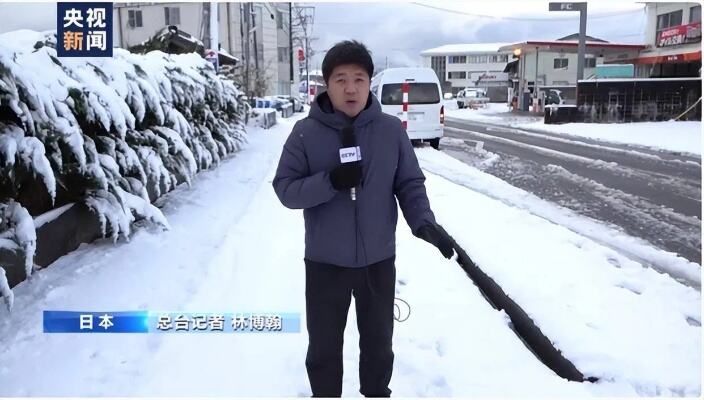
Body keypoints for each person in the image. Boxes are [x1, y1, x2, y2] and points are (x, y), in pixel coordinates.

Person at [272, 40, 454, 398]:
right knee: (323, 349)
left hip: (378, 261)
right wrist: (330, 182)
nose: (351, 88)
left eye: (359, 78)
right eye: (340, 79)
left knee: (378, 346)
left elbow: (409, 182)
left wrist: (424, 223)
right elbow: (285, 189)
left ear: (369, 82)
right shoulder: (305, 133)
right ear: (327, 85)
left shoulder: (389, 131)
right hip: (325, 262)